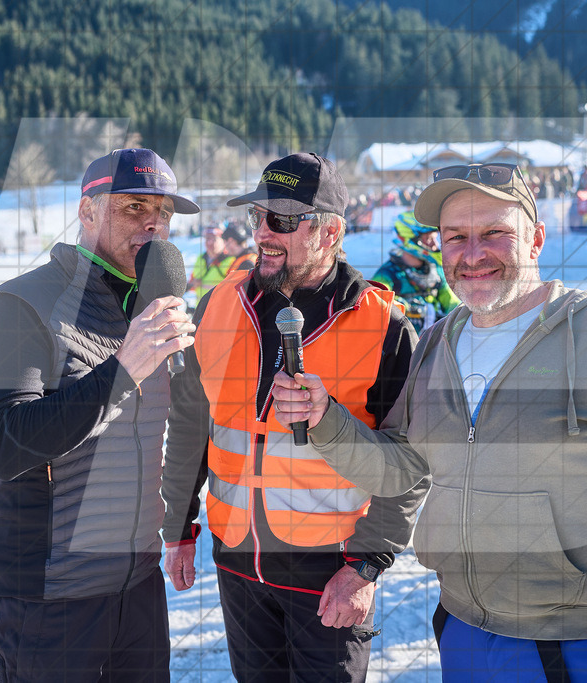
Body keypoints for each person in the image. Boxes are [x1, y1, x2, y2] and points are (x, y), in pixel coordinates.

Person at [272, 162, 587, 682]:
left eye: (495, 233)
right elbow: (402, 469)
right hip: (464, 627)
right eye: (456, 237)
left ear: (536, 238)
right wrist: (326, 419)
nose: (473, 254)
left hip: (580, 640)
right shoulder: (436, 345)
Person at [161, 152, 424, 682]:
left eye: (282, 220)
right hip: (237, 563)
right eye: (256, 217)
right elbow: (192, 425)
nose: (263, 232)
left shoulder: (385, 327)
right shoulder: (217, 307)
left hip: (330, 573)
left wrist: (367, 567)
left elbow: (411, 465)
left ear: (330, 232)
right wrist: (178, 525)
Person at [0, 148, 199, 682]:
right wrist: (122, 371)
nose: (153, 223)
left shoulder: (151, 310)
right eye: (132, 207)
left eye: (162, 212)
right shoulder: (23, 305)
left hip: (138, 587)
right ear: (87, 211)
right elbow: (5, 446)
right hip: (49, 596)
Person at [372, 221, 459, 333]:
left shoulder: (435, 270)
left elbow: (452, 303)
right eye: (428, 239)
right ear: (410, 239)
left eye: (435, 239)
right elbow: (375, 302)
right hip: (401, 341)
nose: (435, 245)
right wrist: (406, 307)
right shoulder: (387, 273)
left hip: (434, 340)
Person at [187, 224, 235, 298]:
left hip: (220, 308)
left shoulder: (231, 261)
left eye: (214, 239)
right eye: (207, 239)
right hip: (201, 308)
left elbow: (234, 291)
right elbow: (192, 284)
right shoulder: (200, 258)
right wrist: (193, 284)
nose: (209, 242)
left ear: (223, 241)